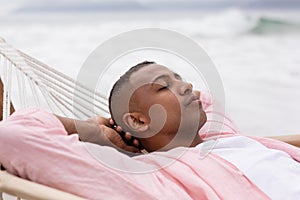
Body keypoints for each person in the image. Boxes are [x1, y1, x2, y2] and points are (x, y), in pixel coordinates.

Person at [1, 61, 300, 199]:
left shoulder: (220, 136)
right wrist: (92, 131)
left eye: (179, 78)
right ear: (139, 121)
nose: (187, 86)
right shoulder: (149, 178)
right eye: (164, 86)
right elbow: (13, 138)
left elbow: (206, 101)